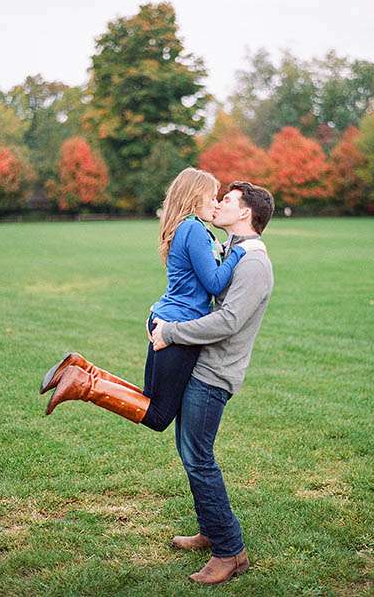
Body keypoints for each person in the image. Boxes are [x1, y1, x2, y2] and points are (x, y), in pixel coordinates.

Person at [41, 168, 264, 430]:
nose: (215, 204)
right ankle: (84, 385)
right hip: (177, 325)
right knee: (158, 416)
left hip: (168, 317)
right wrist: (242, 251)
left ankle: (83, 370)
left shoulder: (191, 228)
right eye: (212, 197)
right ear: (195, 197)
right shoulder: (192, 228)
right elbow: (214, 283)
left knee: (149, 399)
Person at [149, 180, 274, 584]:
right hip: (200, 366)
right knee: (191, 454)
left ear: (245, 214)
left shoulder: (254, 263)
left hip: (215, 374)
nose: (220, 203)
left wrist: (172, 332)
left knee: (199, 458)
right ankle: (211, 529)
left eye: (229, 201)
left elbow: (228, 321)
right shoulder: (232, 252)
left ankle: (230, 551)